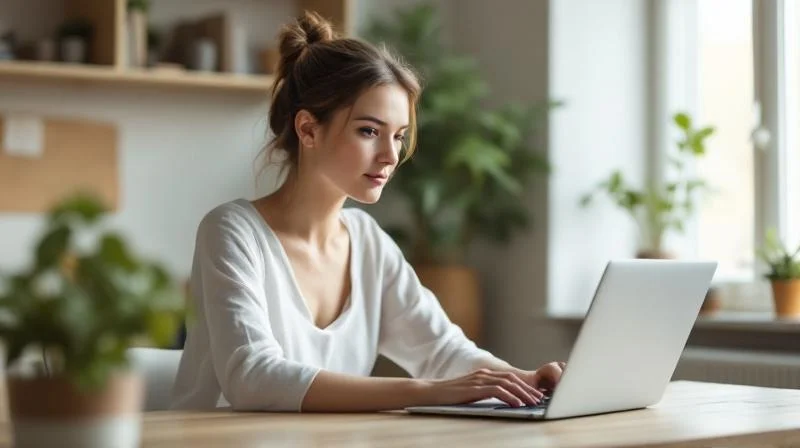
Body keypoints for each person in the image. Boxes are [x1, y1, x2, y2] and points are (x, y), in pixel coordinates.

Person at [171, 11, 565, 412]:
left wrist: (525, 380)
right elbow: (253, 377)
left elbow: (443, 351)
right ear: (308, 129)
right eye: (369, 131)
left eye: (398, 136)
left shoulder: (368, 242)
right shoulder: (232, 231)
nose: (390, 156)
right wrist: (426, 391)